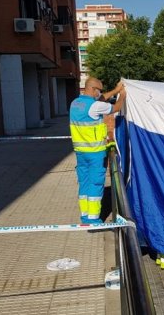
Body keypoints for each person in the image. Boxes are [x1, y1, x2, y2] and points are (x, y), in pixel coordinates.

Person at [69, 77, 126, 224]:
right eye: (99, 90)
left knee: (84, 183)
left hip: (80, 152)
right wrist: (123, 95)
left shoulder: (75, 103)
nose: (100, 93)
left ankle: (84, 216)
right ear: (93, 89)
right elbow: (117, 107)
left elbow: (101, 99)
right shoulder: (94, 106)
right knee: (95, 184)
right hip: (95, 153)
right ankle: (93, 220)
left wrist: (115, 90)